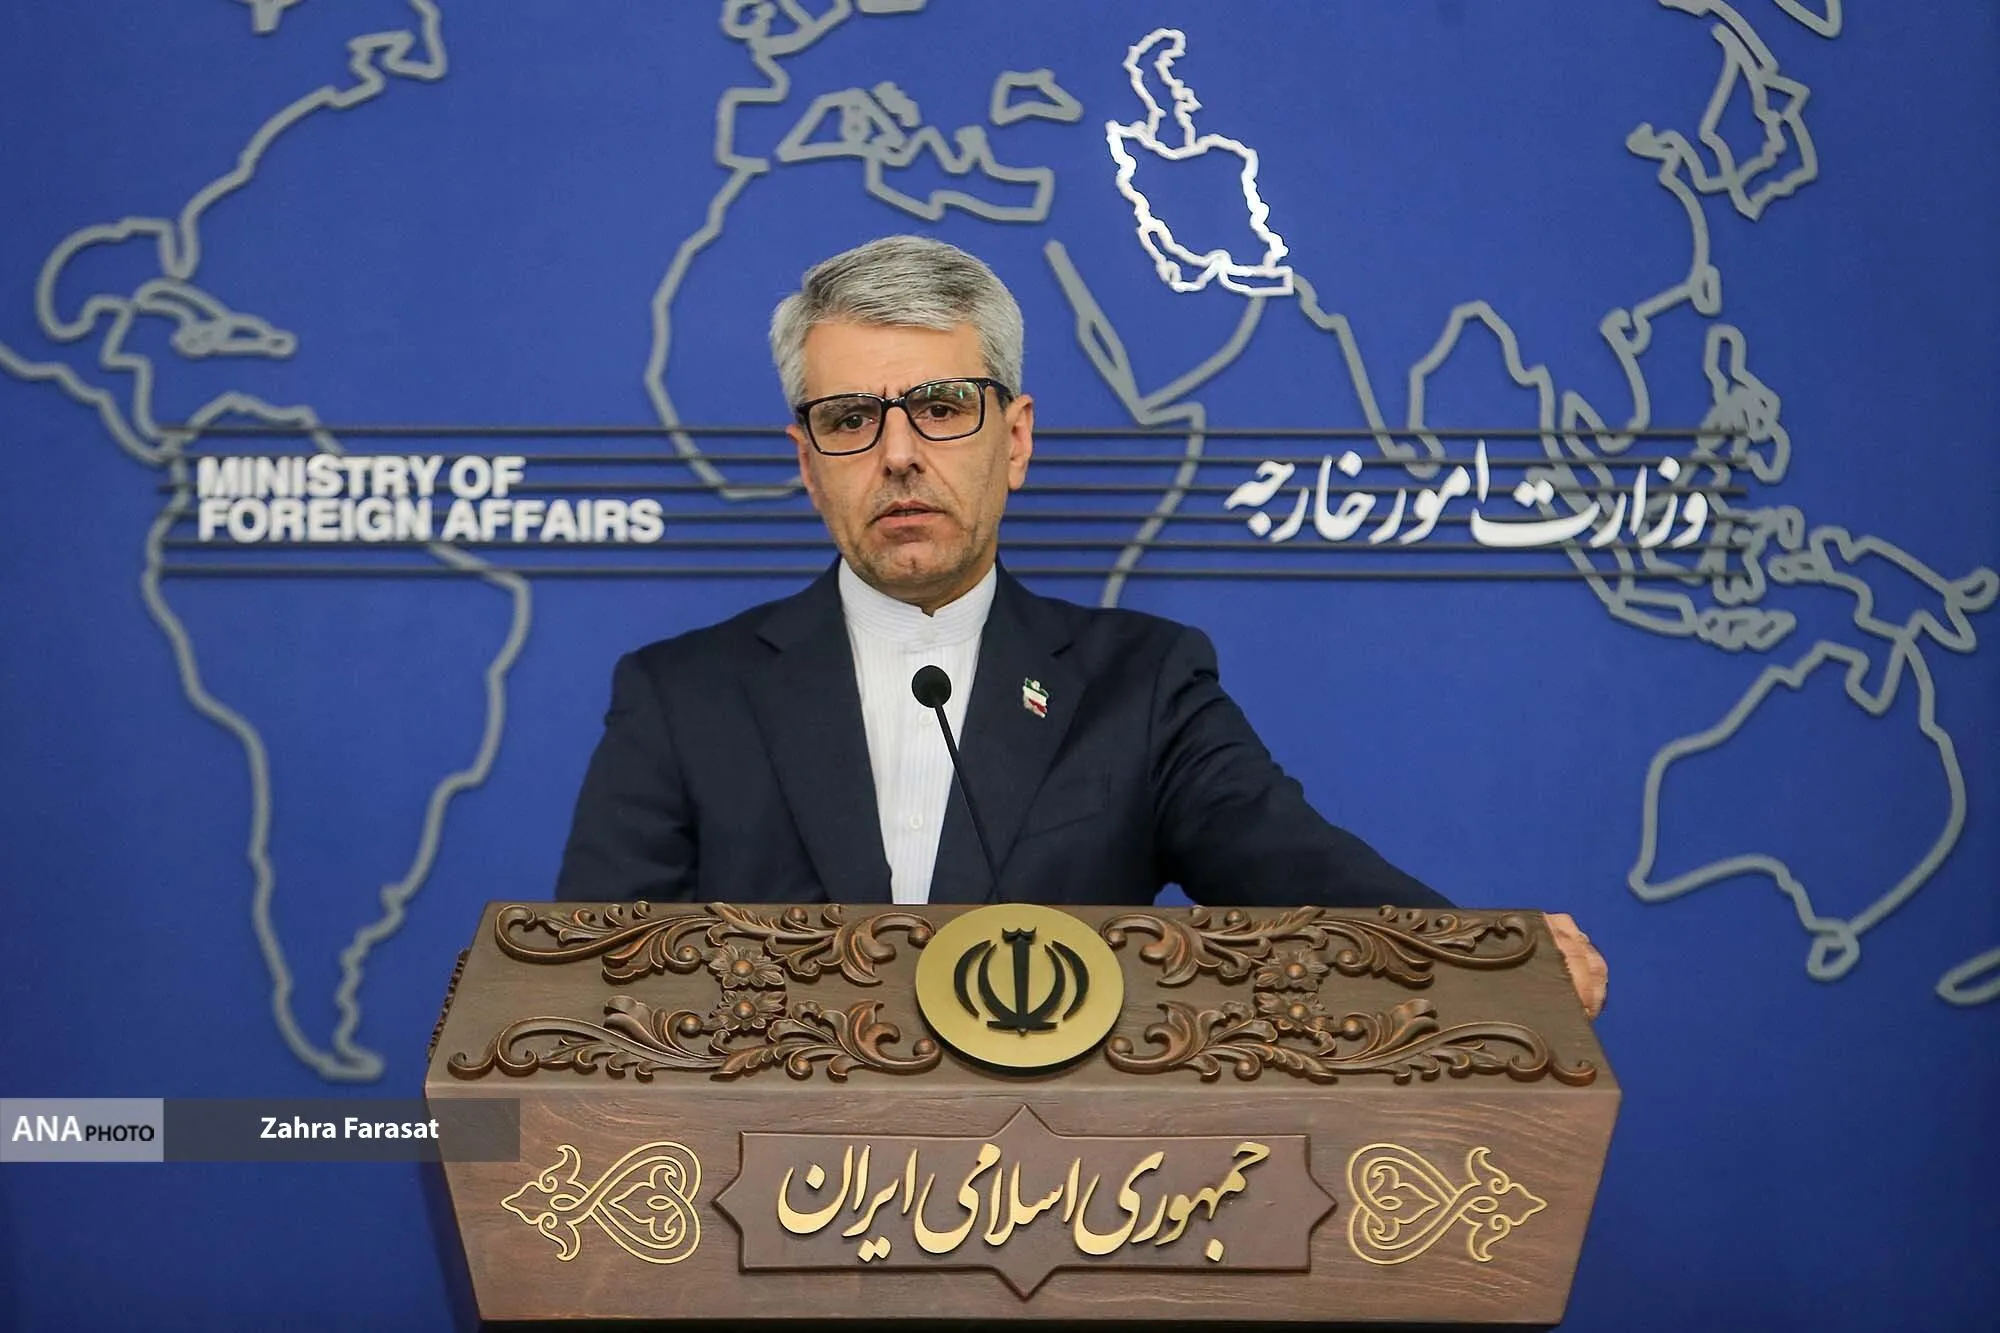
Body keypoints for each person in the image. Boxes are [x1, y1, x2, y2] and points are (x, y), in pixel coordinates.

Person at [556, 235, 1607, 1014]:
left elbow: (1298, 871)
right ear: (806, 461)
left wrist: (1491, 962)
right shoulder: (682, 699)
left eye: (941, 406)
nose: (898, 454)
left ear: (1014, 439)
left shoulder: (1138, 685)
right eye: (850, 419)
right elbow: (590, 996)